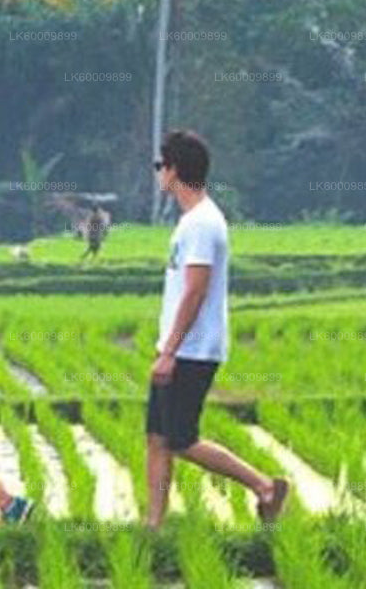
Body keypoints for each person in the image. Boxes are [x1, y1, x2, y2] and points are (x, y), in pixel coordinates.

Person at [145, 130, 289, 529]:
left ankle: (265, 486)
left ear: (174, 170)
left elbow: (195, 291)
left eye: (160, 165)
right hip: (180, 347)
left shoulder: (202, 225)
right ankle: (153, 526)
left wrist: (169, 352)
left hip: (192, 351)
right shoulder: (192, 221)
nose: (158, 173)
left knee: (181, 439)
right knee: (157, 437)